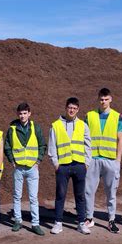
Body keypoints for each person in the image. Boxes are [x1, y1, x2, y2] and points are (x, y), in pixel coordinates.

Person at [48, 97, 92, 235]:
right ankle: (58, 222)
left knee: (80, 195)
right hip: (63, 166)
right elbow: (52, 146)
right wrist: (56, 164)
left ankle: (81, 223)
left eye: (74, 108)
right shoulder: (56, 125)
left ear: (78, 109)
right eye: (69, 107)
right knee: (60, 195)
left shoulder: (83, 125)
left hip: (79, 165)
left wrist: (86, 163)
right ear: (66, 108)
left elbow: (88, 145)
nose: (72, 110)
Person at [84, 88, 122, 233]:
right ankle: (89, 218)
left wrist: (118, 160)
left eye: (106, 99)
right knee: (88, 191)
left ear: (111, 99)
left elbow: (120, 140)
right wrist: (86, 159)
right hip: (93, 159)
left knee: (111, 192)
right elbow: (84, 138)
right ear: (98, 99)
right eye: (101, 99)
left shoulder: (117, 116)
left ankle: (111, 220)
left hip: (110, 160)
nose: (104, 102)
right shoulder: (89, 116)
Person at [4, 102, 47, 236]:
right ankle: (17, 221)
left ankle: (35, 224)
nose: (22, 116)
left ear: (29, 114)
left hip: (32, 168)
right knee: (17, 196)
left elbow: (42, 145)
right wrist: (12, 160)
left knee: (33, 197)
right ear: (18, 114)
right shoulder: (12, 128)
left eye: (25, 113)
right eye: (20, 113)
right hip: (18, 168)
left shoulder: (36, 128)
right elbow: (7, 146)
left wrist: (38, 160)